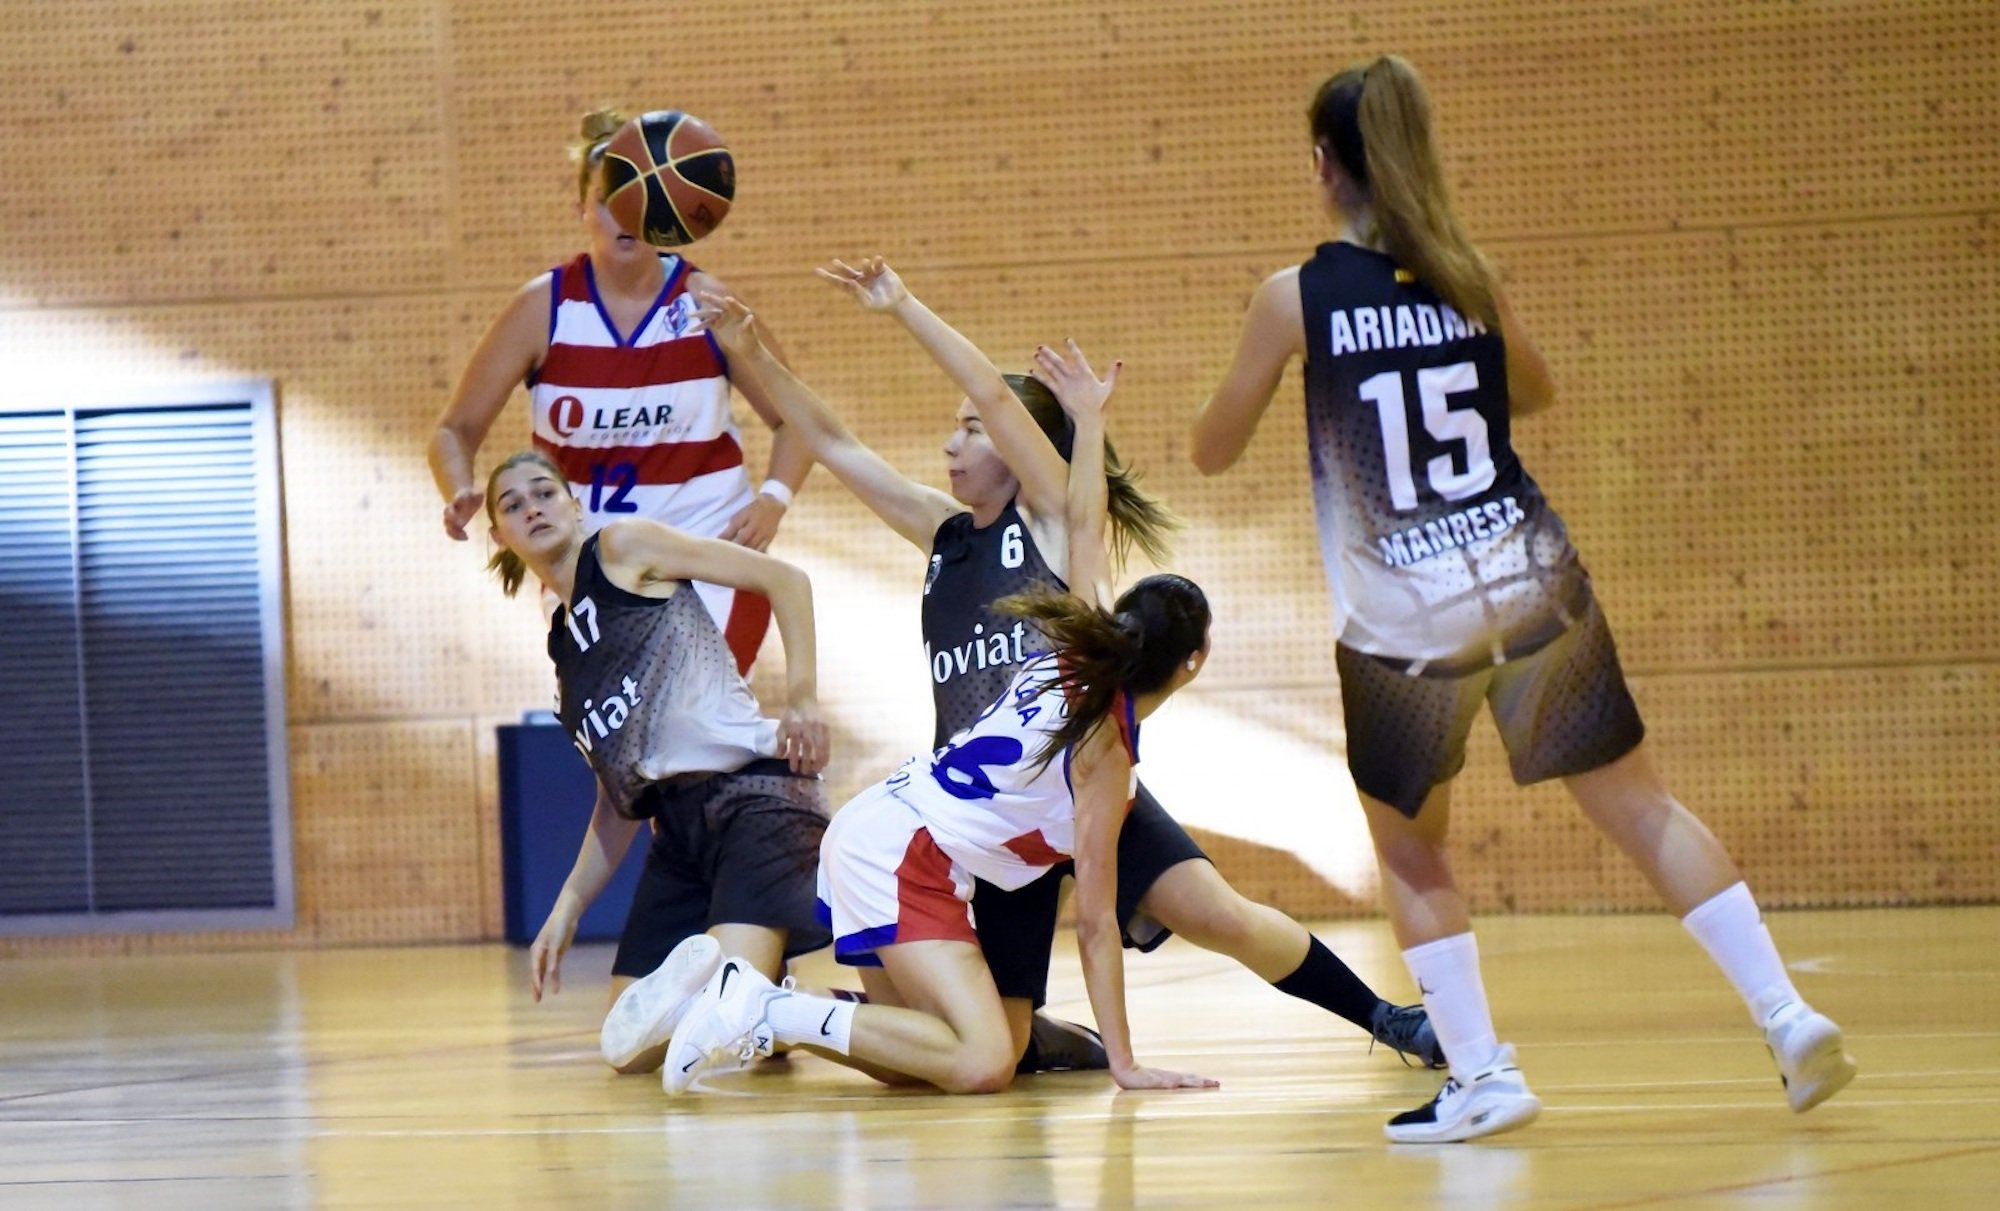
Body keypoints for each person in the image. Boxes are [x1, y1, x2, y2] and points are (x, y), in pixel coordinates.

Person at [1189, 55, 1857, 1142]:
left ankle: (1483, 1074)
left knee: (1410, 850)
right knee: (1642, 806)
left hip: (1401, 625)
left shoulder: (1293, 298)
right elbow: (1533, 389)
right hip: (1524, 580)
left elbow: (1211, 451)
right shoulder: (1464, 272)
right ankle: (1783, 1014)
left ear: (1322, 168)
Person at [686, 262, 1442, 1075]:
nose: (954, 440)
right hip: (991, 819)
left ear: (1018, 450)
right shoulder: (946, 536)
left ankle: (1385, 1016)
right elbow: (833, 441)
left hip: (1081, 780)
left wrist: (904, 305)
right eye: (956, 425)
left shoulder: (1048, 525)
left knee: (1216, 911)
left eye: (972, 428)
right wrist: (752, 355)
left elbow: (1005, 398)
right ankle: (1006, 1036)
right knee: (993, 1045)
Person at [663, 361, 1216, 1094]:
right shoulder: (1107, 747)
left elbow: (1085, 522)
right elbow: (1094, 923)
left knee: (927, 1056)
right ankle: (766, 1005)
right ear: (1192, 665)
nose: (956, 441)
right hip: (904, 849)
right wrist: (1126, 1063)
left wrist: (1089, 425)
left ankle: (754, 1005)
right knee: (984, 1059)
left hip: (885, 831)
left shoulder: (1074, 651)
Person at [482, 449, 831, 1075]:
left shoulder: (622, 547)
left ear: (574, 503)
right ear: (499, 536)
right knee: (630, 1048)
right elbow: (618, 806)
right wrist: (566, 911)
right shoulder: (565, 653)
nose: (532, 507)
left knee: (713, 1021)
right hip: (677, 835)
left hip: (754, 800)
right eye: (513, 504)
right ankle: (771, 1004)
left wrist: (803, 697)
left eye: (544, 492)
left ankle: (795, 1004)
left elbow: (786, 580)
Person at [430, 107, 813, 674]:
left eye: (644, 195)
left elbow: (799, 417)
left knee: (692, 727)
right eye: (614, 195)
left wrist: (774, 499)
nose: (629, 212)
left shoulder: (706, 303)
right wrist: (458, 487)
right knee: (631, 752)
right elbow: (454, 431)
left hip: (708, 550)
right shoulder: (545, 308)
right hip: (588, 565)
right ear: (583, 208)